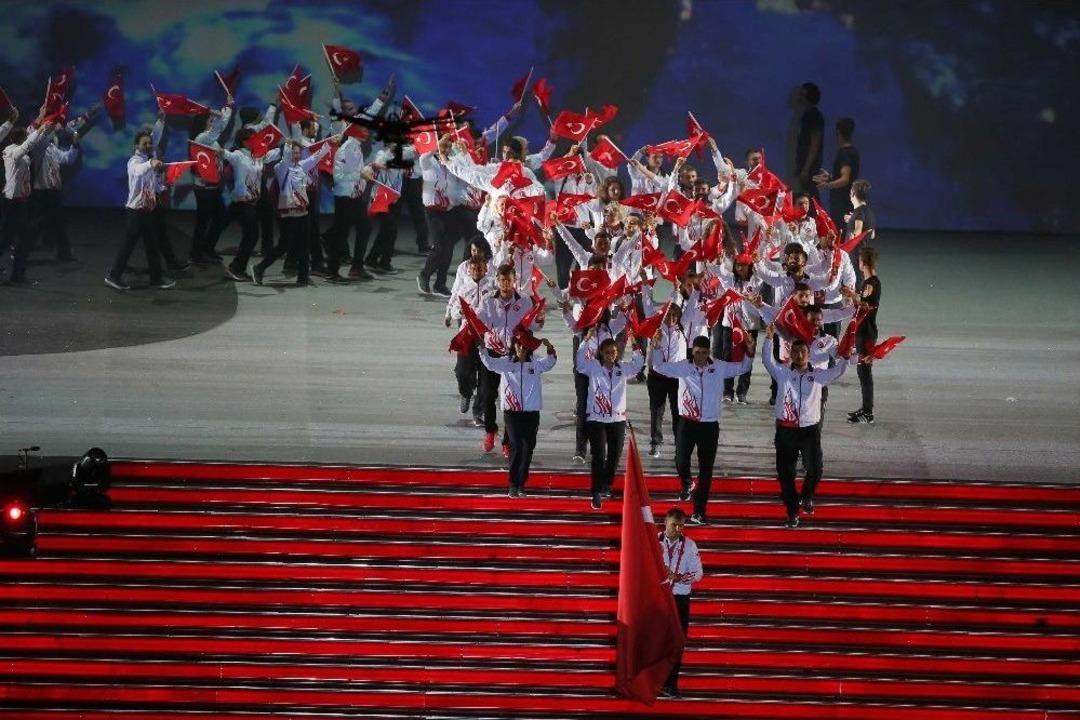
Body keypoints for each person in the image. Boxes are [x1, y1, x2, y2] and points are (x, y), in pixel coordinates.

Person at [652, 335, 753, 525]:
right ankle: (687, 482)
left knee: (706, 470)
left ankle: (699, 511)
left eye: (704, 353)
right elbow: (659, 367)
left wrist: (749, 350)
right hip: (687, 423)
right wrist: (656, 348)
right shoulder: (683, 366)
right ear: (692, 351)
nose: (700, 356)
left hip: (709, 425)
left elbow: (743, 367)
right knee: (681, 461)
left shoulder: (719, 367)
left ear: (709, 352)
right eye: (697, 352)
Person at [761, 323, 853, 527]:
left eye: (803, 351)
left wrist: (846, 356)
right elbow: (768, 361)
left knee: (815, 470)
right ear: (791, 354)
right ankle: (792, 511)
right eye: (796, 351)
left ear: (809, 355)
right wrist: (768, 339)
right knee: (786, 473)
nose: (800, 355)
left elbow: (838, 371)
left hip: (810, 430)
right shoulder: (783, 373)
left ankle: (806, 495)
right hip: (786, 429)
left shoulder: (819, 376)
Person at [249, 137, 337, 287]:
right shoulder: (281, 168)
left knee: (303, 244)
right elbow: (285, 159)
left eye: (298, 153)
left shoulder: (301, 166)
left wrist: (331, 143)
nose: (296, 155)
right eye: (293, 153)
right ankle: (259, 268)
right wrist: (288, 146)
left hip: (302, 212)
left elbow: (317, 157)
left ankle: (302, 277)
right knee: (284, 245)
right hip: (288, 214)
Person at [479, 337, 557, 497]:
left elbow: (550, 363)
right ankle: (513, 484)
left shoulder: (535, 363)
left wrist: (550, 348)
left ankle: (521, 483)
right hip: (512, 413)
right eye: (518, 344)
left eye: (524, 345)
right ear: (514, 345)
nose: (521, 347)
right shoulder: (506, 362)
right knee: (517, 446)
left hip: (531, 412)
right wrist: (482, 348)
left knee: (528, 448)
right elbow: (489, 363)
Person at [576, 329, 644, 509]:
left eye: (614, 352)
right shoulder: (593, 367)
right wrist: (586, 339)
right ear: (601, 353)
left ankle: (606, 485)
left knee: (614, 456)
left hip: (617, 420)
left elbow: (638, 364)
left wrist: (635, 344)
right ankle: (596, 491)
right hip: (597, 419)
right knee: (598, 456)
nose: (611, 355)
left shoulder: (623, 368)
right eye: (607, 352)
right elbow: (579, 362)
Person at [104, 128, 175, 291]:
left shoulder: (150, 160)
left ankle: (156, 279)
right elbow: (138, 171)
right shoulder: (134, 162)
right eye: (145, 143)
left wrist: (163, 186)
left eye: (150, 143)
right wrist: (151, 163)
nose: (148, 146)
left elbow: (154, 185)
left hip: (148, 209)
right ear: (137, 145)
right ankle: (114, 276)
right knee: (128, 245)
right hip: (136, 211)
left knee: (152, 244)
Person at [3, 115, 56, 284]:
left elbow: (31, 139)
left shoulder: (19, 150)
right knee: (8, 240)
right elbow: (27, 145)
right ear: (20, 140)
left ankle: (18, 275)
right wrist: (39, 130)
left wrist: (41, 124)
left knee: (19, 240)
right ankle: (17, 275)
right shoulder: (11, 152)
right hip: (12, 203)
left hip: (21, 202)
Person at [659, 507, 703, 699]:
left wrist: (678, 577)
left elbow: (699, 574)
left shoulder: (690, 545)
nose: (677, 529)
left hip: (680, 599)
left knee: (677, 642)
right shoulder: (652, 541)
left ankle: (670, 685)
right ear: (665, 523)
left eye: (681, 526)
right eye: (673, 525)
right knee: (655, 641)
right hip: (657, 598)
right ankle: (653, 682)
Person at [447, 256, 493, 425]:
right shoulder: (464, 289)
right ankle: (466, 393)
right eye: (474, 269)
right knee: (461, 372)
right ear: (469, 270)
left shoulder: (493, 287)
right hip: (467, 336)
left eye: (480, 269)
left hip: (487, 338)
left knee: (486, 379)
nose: (477, 272)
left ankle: (478, 411)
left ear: (486, 269)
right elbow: (454, 312)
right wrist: (462, 312)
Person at [849, 246, 881, 424]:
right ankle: (865, 408)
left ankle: (868, 412)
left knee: (865, 372)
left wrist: (852, 296)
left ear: (863, 262)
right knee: (863, 372)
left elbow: (866, 306)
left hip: (866, 333)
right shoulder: (870, 282)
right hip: (864, 332)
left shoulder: (871, 283)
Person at [814, 117, 860, 233]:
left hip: (843, 202)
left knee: (841, 232)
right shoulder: (852, 152)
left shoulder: (845, 153)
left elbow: (845, 179)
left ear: (838, 132)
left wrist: (827, 185)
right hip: (847, 200)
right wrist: (830, 177)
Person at [794, 82, 824, 198]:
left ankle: (818, 216)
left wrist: (806, 169)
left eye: (802, 94)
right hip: (804, 165)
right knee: (806, 195)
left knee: (811, 196)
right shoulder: (806, 115)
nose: (800, 97)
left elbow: (815, 144)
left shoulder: (815, 116)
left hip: (810, 167)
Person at [845, 178, 875, 246]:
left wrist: (852, 237)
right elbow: (872, 235)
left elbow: (858, 231)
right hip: (865, 252)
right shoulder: (869, 212)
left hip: (855, 253)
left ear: (853, 194)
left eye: (850, 192)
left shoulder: (858, 212)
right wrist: (852, 219)